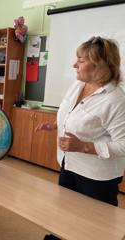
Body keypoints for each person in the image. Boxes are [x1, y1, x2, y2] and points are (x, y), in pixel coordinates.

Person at [35, 36, 125, 240]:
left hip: (96, 176)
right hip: (69, 163)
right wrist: (56, 125)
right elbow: (71, 113)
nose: (74, 65)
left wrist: (84, 146)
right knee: (65, 211)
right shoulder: (78, 84)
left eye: (81, 60)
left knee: (95, 226)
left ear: (99, 65)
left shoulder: (116, 100)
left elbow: (123, 144)